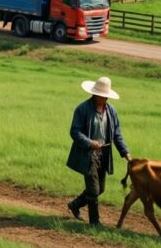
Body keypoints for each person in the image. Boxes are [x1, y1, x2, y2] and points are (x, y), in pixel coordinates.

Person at [67, 76, 131, 226]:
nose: (104, 98)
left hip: (104, 154)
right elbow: (74, 132)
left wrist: (126, 153)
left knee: (100, 188)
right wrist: (90, 143)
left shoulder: (111, 111)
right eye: (102, 95)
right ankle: (94, 222)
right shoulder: (82, 109)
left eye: (106, 96)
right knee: (94, 190)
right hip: (88, 154)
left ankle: (75, 205)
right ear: (95, 94)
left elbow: (117, 135)